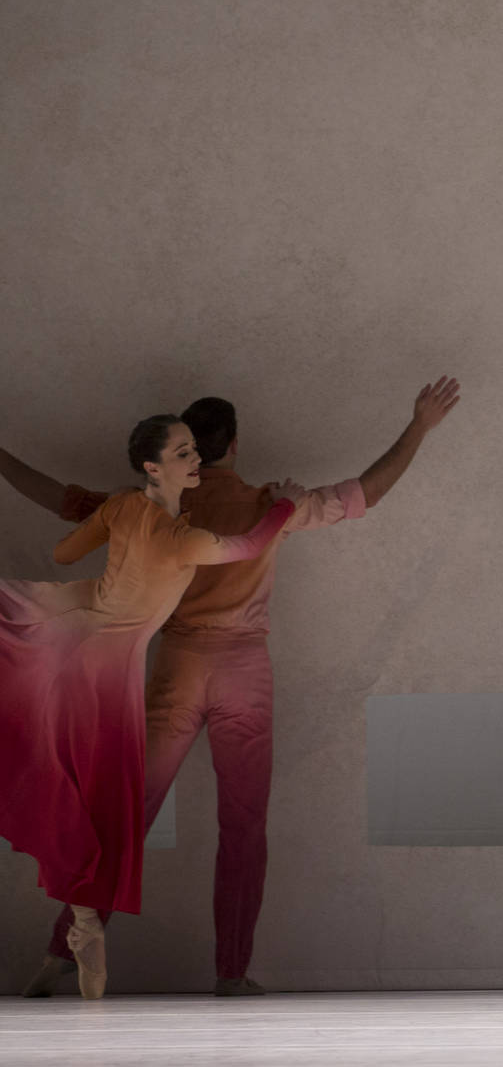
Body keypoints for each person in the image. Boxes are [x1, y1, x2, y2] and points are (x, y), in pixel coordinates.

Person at [6, 378, 460, 997]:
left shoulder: (147, 505)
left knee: (127, 817)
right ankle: (231, 971)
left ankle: (62, 951)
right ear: (236, 446)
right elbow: (368, 490)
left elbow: (57, 498)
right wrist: (419, 426)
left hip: (176, 667)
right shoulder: (269, 503)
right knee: (243, 826)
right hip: (244, 672)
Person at [0, 416, 301, 1000]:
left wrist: (114, 544)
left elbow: (64, 553)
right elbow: (252, 543)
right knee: (110, 808)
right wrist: (284, 505)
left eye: (195, 450)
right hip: (111, 673)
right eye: (184, 454)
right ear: (154, 466)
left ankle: (66, 947)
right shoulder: (186, 539)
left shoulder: (119, 508)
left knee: (102, 807)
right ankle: (90, 945)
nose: (196, 462)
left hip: (72, 632)